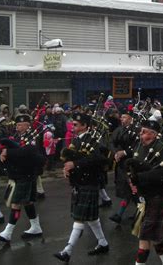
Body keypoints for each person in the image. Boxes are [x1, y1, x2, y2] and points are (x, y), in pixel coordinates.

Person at [54, 112, 109, 263]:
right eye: (73, 124)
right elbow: (72, 158)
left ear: (85, 126)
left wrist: (76, 164)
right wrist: (67, 168)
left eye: (76, 124)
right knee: (91, 218)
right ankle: (103, 243)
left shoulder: (95, 140)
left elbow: (99, 159)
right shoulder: (77, 140)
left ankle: (68, 250)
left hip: (89, 182)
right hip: (79, 182)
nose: (73, 126)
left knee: (79, 218)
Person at [126, 119, 163, 265]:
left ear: (153, 134)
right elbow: (132, 168)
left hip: (157, 196)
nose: (141, 135)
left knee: (149, 238)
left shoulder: (161, 148)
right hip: (143, 197)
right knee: (152, 238)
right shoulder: (140, 146)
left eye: (144, 132)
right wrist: (130, 178)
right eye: (141, 131)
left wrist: (140, 176)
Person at [0, 114, 46, 242]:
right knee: (27, 202)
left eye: (19, 125)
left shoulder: (32, 137)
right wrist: (2, 152)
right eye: (17, 124)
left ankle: (8, 232)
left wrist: (8, 152)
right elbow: (12, 148)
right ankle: (36, 227)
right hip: (18, 174)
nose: (17, 127)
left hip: (26, 174)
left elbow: (26, 152)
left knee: (16, 204)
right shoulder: (18, 136)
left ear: (27, 125)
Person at [109, 111, 138, 224]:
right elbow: (111, 142)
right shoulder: (119, 129)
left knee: (133, 189)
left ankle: (123, 214)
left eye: (124, 117)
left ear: (131, 118)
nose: (122, 119)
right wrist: (116, 153)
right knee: (128, 190)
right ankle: (122, 214)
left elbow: (138, 146)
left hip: (132, 163)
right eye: (121, 117)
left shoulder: (137, 129)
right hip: (121, 163)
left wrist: (125, 153)